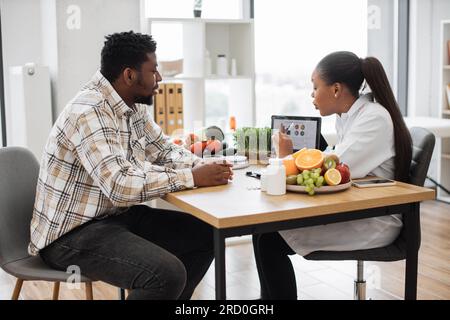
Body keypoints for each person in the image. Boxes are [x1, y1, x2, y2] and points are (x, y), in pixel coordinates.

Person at [29, 31, 233, 300]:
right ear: (129, 75)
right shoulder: (89, 111)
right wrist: (192, 177)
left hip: (113, 218)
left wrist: (208, 168)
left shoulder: (131, 106)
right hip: (70, 236)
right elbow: (119, 185)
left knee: (207, 235)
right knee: (166, 275)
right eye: (154, 70)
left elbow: (163, 149)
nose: (159, 78)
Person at [253, 51, 412, 300]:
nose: (311, 95)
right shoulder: (349, 116)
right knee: (263, 231)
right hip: (354, 207)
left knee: (269, 237)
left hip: (373, 219)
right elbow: (336, 158)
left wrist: (285, 156)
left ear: (336, 89)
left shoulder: (374, 118)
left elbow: (336, 171)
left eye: (315, 88)